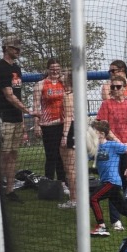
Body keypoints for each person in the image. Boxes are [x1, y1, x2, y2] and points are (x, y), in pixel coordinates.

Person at [0, 35, 38, 202]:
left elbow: (18, 94)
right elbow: (9, 95)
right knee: (4, 153)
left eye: (19, 48)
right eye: (15, 48)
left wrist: (22, 118)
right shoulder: (0, 68)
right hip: (4, 117)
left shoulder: (17, 68)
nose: (18, 51)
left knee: (13, 153)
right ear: (6, 48)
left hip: (16, 118)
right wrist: (28, 111)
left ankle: (10, 190)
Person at [96, 75, 127, 230]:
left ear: (125, 88)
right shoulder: (106, 104)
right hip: (113, 149)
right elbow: (104, 127)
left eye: (118, 86)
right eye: (112, 87)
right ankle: (116, 220)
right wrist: (119, 143)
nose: (114, 89)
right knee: (113, 185)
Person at [32, 58, 66, 185]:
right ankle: (49, 183)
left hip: (63, 123)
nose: (55, 71)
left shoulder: (64, 83)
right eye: (52, 69)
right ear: (47, 70)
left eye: (57, 69)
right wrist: (36, 125)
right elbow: (36, 106)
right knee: (51, 155)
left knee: (62, 155)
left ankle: (63, 182)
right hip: (48, 125)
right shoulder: (41, 84)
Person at [58, 69, 76, 209]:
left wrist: (64, 135)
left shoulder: (68, 95)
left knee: (70, 168)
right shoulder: (76, 93)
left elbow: (69, 116)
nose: (60, 75)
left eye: (63, 74)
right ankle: (76, 197)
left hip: (70, 130)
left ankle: (74, 199)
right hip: (75, 129)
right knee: (71, 167)